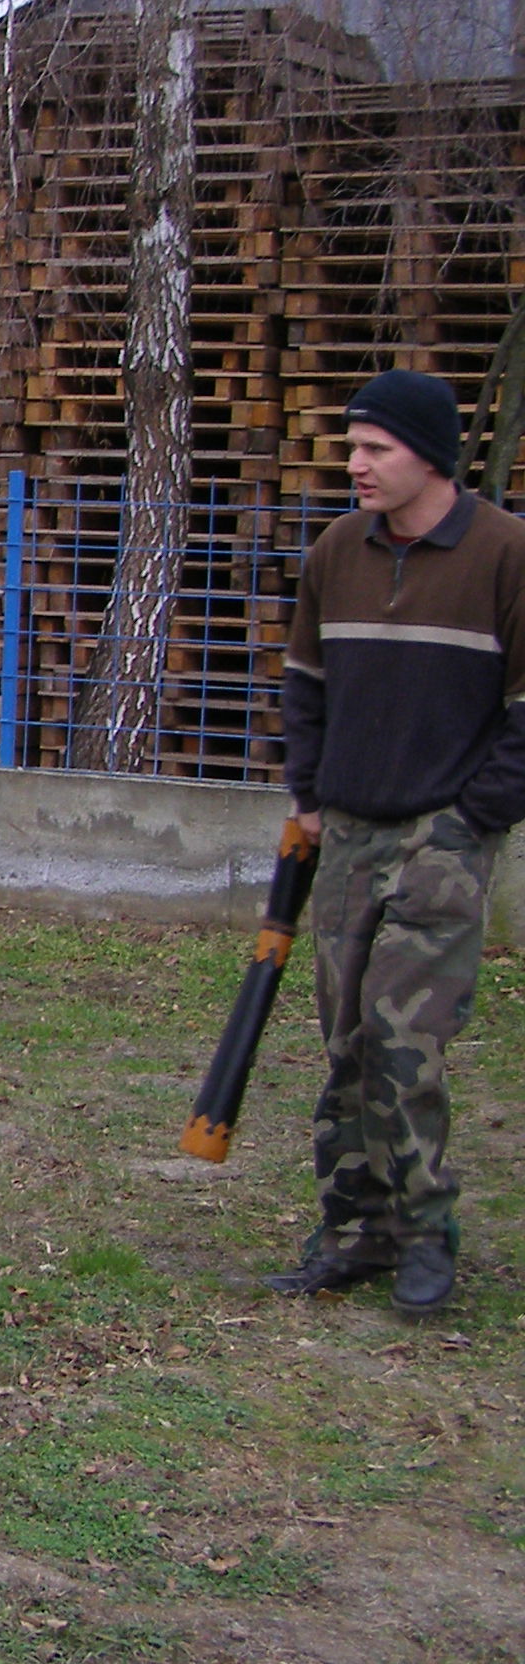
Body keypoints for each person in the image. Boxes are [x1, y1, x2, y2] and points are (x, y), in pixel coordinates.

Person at [266, 368, 525, 1317]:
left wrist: (471, 819)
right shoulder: (338, 551)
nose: (356, 464)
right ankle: (353, 1231)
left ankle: (426, 1237)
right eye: (352, 447)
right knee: (346, 1040)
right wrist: (311, 795)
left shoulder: (505, 555)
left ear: (432, 456)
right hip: (347, 833)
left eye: (376, 448)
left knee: (402, 1037)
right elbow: (305, 688)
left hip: (443, 838)